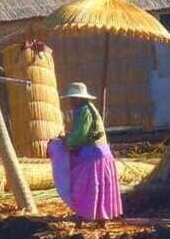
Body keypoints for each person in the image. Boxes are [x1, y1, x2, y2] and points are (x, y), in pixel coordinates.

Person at [48, 82, 123, 226]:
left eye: (72, 99)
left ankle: (83, 215)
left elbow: (80, 135)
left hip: (93, 157)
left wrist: (65, 141)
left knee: (83, 186)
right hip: (102, 154)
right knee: (99, 188)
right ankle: (101, 219)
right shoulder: (88, 109)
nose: (70, 102)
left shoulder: (83, 111)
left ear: (78, 99)